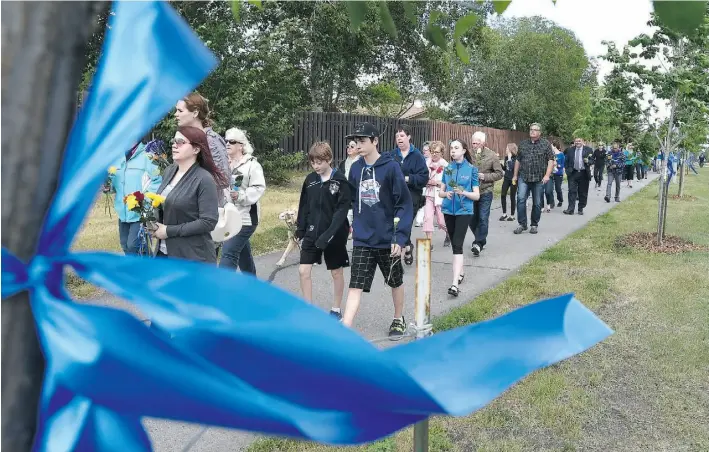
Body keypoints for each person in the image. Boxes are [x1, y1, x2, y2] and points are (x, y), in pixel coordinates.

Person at [342, 122, 413, 339]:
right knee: (356, 284)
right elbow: (351, 200)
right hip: (363, 238)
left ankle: (398, 318)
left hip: (387, 238)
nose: (358, 145)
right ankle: (345, 327)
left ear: (375, 141)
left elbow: (404, 203)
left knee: (395, 280)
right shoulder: (355, 168)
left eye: (363, 141)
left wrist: (399, 238)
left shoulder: (391, 168)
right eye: (356, 141)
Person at [296, 142, 352, 320]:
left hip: (334, 234)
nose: (316, 166)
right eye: (313, 162)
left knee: (336, 272)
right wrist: (301, 228)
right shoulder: (310, 180)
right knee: (303, 271)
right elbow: (303, 206)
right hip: (312, 231)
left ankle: (336, 308)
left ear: (329, 160)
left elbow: (341, 212)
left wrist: (328, 235)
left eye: (319, 162)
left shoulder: (340, 180)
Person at [153, 126, 226, 262]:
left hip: (192, 257)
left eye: (180, 142)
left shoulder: (204, 179)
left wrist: (168, 231)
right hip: (164, 253)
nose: (174, 145)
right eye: (174, 141)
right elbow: (167, 205)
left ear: (196, 149)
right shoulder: (170, 171)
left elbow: (208, 222)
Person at [219, 127, 266, 274]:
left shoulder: (252, 165)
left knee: (228, 253)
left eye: (232, 142)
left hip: (245, 218)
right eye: (226, 141)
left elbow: (259, 188)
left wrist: (241, 196)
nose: (227, 144)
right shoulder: (223, 164)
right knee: (243, 256)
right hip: (227, 217)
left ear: (241, 145)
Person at [439, 139, 480, 297]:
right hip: (448, 210)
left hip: (464, 211)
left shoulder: (471, 170)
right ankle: (461, 271)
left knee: (457, 244)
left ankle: (454, 283)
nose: (453, 151)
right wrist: (446, 193)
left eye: (456, 148)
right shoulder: (448, 169)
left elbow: (476, 196)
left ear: (464, 151)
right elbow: (441, 192)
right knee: (456, 246)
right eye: (451, 148)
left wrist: (464, 192)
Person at [109, 138, 162, 255]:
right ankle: (136, 271)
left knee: (134, 245)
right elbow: (114, 181)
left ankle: (147, 270)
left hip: (140, 212)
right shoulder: (117, 158)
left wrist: (145, 202)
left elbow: (157, 181)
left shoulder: (147, 157)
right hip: (123, 212)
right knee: (125, 245)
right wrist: (108, 186)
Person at [174, 92, 230, 193]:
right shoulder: (181, 139)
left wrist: (190, 187)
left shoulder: (212, 140)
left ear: (195, 113)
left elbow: (224, 179)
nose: (176, 114)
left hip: (208, 204)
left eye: (180, 111)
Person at [388, 125, 428, 266]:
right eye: (397, 136)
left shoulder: (417, 156)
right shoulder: (392, 155)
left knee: (405, 224)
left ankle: (398, 256)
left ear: (409, 137)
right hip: (395, 196)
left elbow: (424, 178)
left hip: (412, 196)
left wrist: (407, 178)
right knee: (396, 225)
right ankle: (407, 246)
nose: (399, 138)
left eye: (402, 135)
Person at [512, 123, 555, 235]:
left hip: (539, 179)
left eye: (535, 130)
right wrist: (515, 175)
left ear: (539, 132)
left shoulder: (545, 144)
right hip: (524, 177)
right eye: (531, 129)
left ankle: (534, 224)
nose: (532, 131)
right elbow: (518, 160)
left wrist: (547, 175)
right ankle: (522, 224)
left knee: (537, 203)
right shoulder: (523, 144)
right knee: (520, 199)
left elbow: (551, 160)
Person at [468, 131, 502, 256]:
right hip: (471, 192)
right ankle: (481, 238)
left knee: (483, 217)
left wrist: (485, 176)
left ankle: (478, 243)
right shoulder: (468, 154)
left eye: (477, 143)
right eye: (473, 143)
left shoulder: (492, 155)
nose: (474, 145)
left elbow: (499, 173)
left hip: (485, 190)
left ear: (483, 143)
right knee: (471, 218)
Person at [423, 141, 449, 249]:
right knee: (428, 218)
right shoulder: (426, 163)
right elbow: (422, 177)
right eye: (432, 152)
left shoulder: (446, 165)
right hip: (429, 194)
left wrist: (439, 183)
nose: (434, 154)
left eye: (437, 152)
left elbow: (451, 182)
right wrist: (427, 181)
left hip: (440, 196)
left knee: (441, 221)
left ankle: (448, 233)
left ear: (442, 153)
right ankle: (429, 242)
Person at [564, 137, 594, 215]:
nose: (577, 142)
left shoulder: (588, 150)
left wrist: (588, 161)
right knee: (571, 191)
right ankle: (570, 209)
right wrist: (567, 170)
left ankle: (580, 208)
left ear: (583, 141)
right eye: (576, 141)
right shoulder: (570, 150)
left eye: (579, 141)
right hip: (573, 173)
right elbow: (566, 160)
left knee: (583, 192)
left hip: (584, 173)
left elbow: (592, 160)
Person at [338, 139, 360, 238]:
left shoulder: (361, 163)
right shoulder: (343, 163)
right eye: (348, 146)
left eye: (352, 146)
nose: (349, 148)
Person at [415, 142, 432, 227]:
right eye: (423, 150)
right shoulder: (420, 159)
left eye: (426, 150)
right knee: (422, 202)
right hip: (424, 185)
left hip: (433, 186)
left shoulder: (434, 161)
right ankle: (419, 220)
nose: (424, 152)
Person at [544, 141, 565, 212]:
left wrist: (558, 165)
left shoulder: (561, 154)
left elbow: (563, 164)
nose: (550, 147)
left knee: (558, 188)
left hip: (558, 173)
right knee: (550, 189)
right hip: (551, 173)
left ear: (555, 146)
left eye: (551, 146)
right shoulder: (550, 154)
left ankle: (560, 200)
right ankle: (551, 202)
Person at [499, 143, 517, 221]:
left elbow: (513, 168)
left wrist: (510, 159)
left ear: (510, 149)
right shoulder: (506, 158)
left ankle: (512, 215)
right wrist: (499, 164)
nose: (506, 150)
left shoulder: (516, 158)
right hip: (506, 178)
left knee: (512, 196)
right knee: (503, 194)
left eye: (507, 148)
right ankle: (504, 214)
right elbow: (506, 168)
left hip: (513, 179)